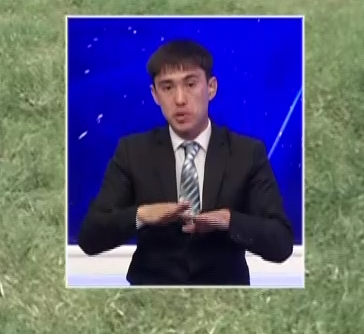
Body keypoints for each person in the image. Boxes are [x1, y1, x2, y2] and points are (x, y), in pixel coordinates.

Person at [77, 39, 293, 286]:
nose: (180, 99)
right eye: (167, 87)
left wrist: (228, 220)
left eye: (190, 84)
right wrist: (142, 215)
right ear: (155, 95)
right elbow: (90, 238)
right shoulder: (132, 151)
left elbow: (281, 243)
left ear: (211, 88)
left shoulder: (247, 153)